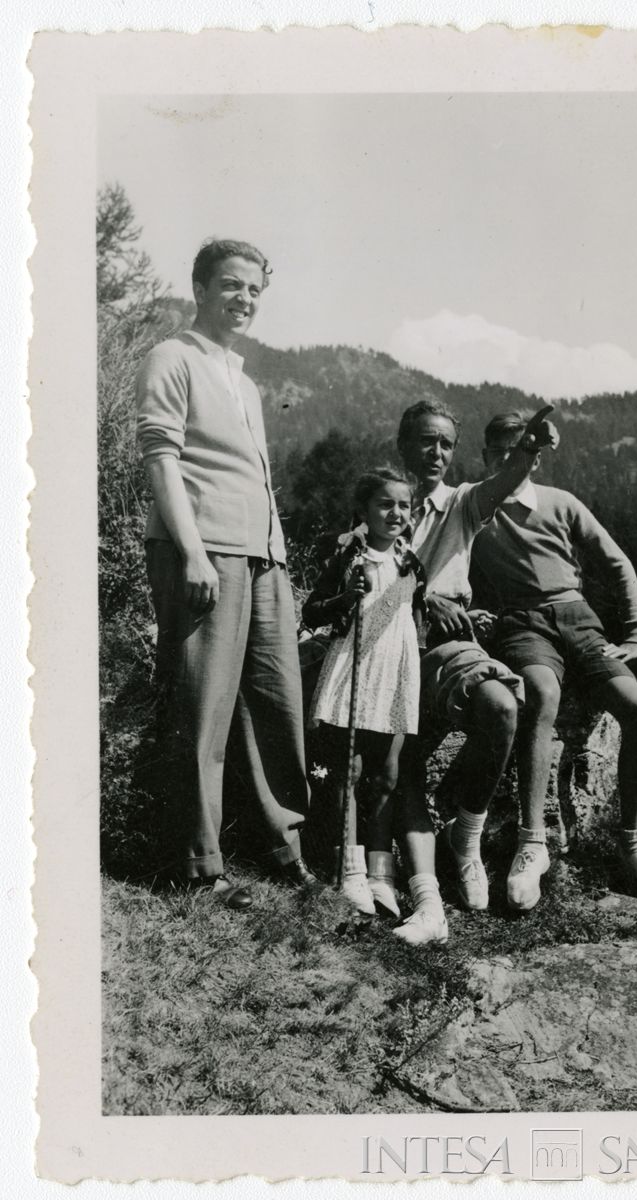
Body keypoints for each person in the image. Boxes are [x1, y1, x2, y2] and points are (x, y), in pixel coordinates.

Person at [136, 238, 314, 910]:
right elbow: (161, 460)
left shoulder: (245, 382)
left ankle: (281, 848)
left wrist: (277, 556)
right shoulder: (171, 357)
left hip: (262, 557)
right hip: (203, 549)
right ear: (201, 289)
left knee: (277, 705)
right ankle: (197, 865)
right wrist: (193, 553)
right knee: (200, 709)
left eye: (254, 291)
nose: (243, 300)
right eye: (231, 286)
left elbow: (255, 479)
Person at [469, 411, 637, 910]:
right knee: (541, 694)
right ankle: (532, 843)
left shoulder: (561, 504)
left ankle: (634, 843)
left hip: (578, 620)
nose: (508, 461)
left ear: (534, 458)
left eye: (520, 451)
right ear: (485, 456)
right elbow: (446, 557)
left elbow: (616, 563)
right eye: (498, 452)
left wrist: (634, 634)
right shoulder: (476, 506)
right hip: (522, 623)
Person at [391, 400, 559, 945]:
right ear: (403, 445)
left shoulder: (462, 503)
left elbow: (503, 480)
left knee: (503, 707)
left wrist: (527, 452)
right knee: (401, 753)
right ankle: (422, 893)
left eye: (445, 443)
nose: (435, 453)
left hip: (446, 647)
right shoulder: (381, 503)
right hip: (389, 646)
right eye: (424, 441)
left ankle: (466, 840)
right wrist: (421, 596)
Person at [302, 467, 427, 919]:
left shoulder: (411, 560)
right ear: (364, 510)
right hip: (354, 666)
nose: (396, 513)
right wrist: (344, 599)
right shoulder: (348, 559)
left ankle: (381, 876)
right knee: (348, 772)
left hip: (394, 669)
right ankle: (350, 872)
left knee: (387, 776)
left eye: (404, 505)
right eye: (385, 504)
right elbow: (312, 611)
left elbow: (417, 613)